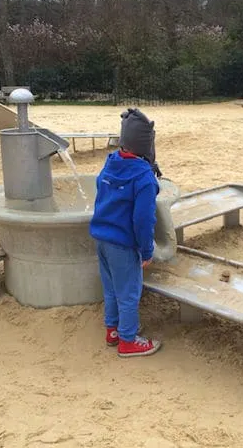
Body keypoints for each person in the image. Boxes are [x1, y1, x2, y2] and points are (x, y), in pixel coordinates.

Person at [89, 108, 162, 357]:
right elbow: (143, 219)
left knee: (110, 288)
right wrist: (146, 250)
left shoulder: (111, 163)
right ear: (146, 145)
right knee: (130, 292)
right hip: (123, 244)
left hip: (101, 237)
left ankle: (113, 330)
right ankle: (128, 341)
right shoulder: (143, 177)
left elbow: (101, 191)